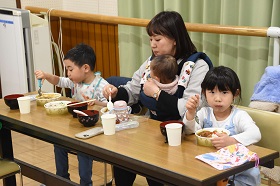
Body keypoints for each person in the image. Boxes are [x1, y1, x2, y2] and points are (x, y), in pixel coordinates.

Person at [102, 11, 212, 186]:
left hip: (182, 133)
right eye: (151, 39)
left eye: (158, 39)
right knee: (122, 156)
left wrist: (157, 93)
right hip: (153, 128)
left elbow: (190, 107)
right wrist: (115, 93)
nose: (153, 45)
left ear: (174, 38)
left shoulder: (197, 66)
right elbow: (133, 89)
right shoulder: (152, 62)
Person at [35, 43, 108, 186]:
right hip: (75, 127)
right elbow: (59, 81)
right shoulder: (76, 81)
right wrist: (47, 75)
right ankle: (61, 179)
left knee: (83, 151)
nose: (68, 73)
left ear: (85, 68)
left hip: (92, 129)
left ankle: (85, 183)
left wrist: (97, 103)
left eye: (70, 69)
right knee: (58, 142)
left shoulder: (101, 86)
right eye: (67, 69)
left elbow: (109, 106)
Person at [184, 66, 261, 186]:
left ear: (235, 93)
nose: (218, 99)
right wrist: (190, 113)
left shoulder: (239, 116)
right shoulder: (204, 113)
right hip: (211, 173)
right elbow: (190, 131)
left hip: (240, 177)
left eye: (224, 92)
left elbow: (255, 133)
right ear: (204, 92)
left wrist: (231, 141)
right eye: (212, 92)